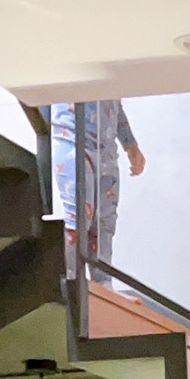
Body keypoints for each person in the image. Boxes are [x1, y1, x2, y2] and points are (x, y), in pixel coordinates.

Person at [48, 101, 145, 263]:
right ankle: (72, 274)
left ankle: (101, 277)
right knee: (79, 216)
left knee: (104, 225)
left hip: (106, 151)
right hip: (72, 138)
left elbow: (115, 104)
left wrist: (131, 145)